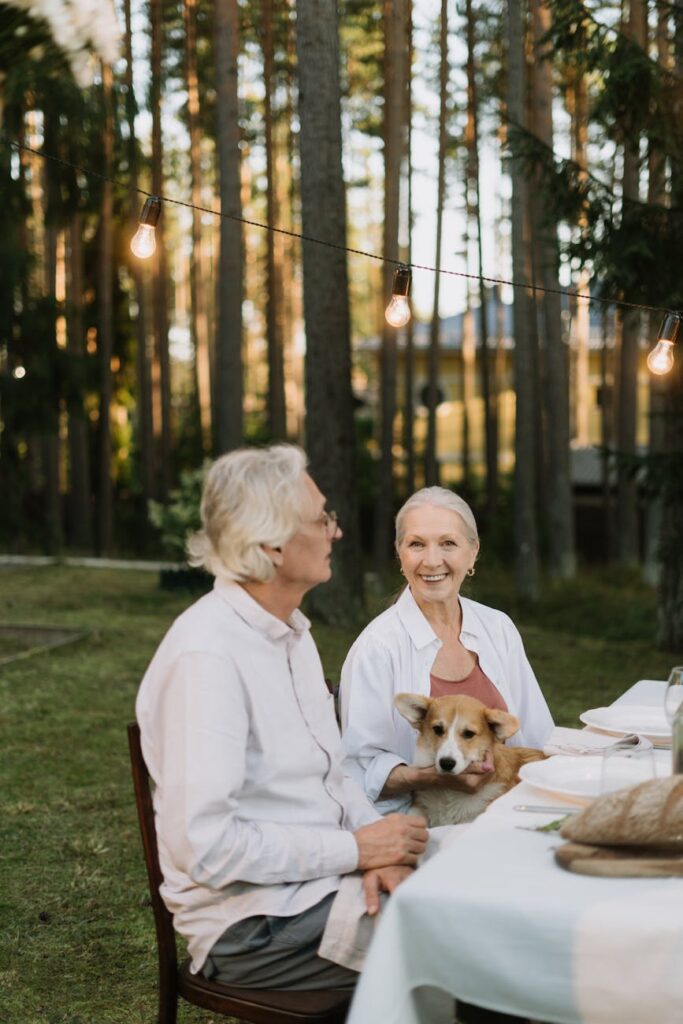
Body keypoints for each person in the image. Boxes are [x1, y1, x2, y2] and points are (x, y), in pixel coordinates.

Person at [135, 444, 428, 992]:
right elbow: (206, 848)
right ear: (271, 543)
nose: (335, 532)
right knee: (470, 938)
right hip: (254, 923)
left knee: (486, 874)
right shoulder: (208, 658)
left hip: (322, 881)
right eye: (322, 519)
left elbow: (336, 776)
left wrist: (378, 848)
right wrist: (360, 850)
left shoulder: (291, 632)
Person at [340, 486, 554, 816]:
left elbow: (539, 736)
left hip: (510, 811)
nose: (432, 560)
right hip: (420, 825)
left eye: (448, 543)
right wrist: (437, 779)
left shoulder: (497, 628)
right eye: (416, 544)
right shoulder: (376, 648)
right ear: (400, 553)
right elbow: (358, 771)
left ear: (472, 552)